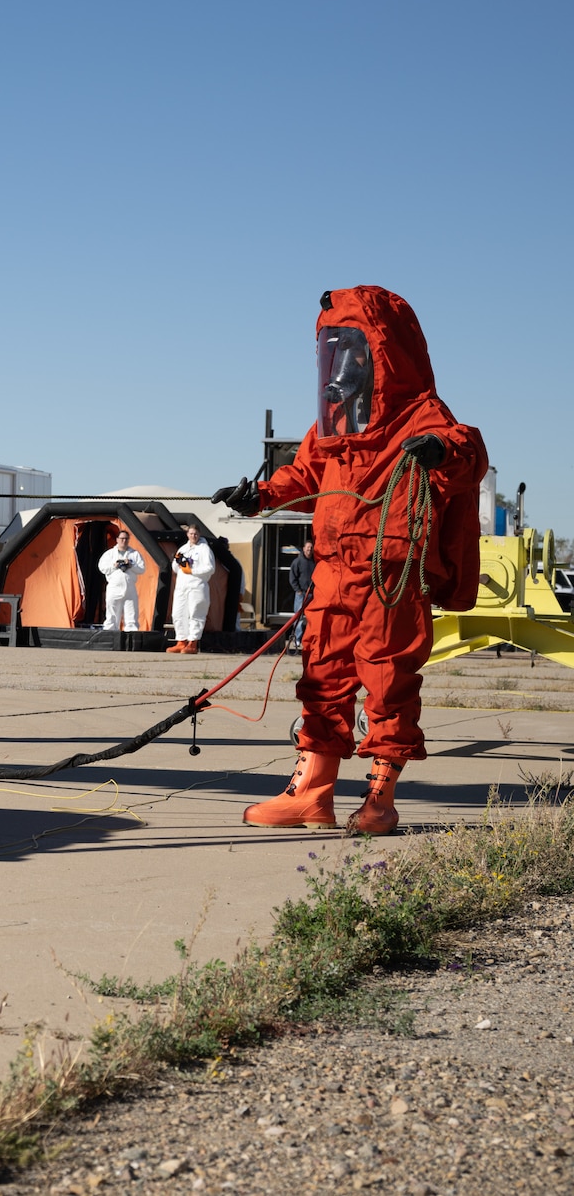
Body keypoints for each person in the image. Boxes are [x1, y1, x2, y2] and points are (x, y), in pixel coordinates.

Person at [212, 286, 487, 835]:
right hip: (334, 571)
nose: (343, 361)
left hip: (391, 575)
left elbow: (468, 454)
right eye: (335, 349)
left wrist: (439, 453)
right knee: (321, 677)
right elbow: (304, 476)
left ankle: (380, 799)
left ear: (383, 352)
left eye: (354, 348)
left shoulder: (422, 415)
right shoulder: (336, 422)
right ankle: (311, 794)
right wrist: (259, 496)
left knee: (388, 680)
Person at [166, 525, 215, 654]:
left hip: (197, 586)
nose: (193, 536)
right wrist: (180, 563)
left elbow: (210, 568)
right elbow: (175, 568)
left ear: (199, 535)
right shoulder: (183, 549)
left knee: (195, 613)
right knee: (178, 613)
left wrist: (192, 570)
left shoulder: (204, 549)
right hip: (182, 586)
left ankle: (193, 642)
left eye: (196, 534)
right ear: (187, 534)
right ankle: (181, 641)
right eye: (191, 534)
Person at [96, 529, 145, 632]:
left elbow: (142, 569)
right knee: (112, 614)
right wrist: (114, 565)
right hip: (114, 587)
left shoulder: (134, 554)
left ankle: (131, 636)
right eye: (122, 538)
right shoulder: (109, 554)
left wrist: (131, 565)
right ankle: (110, 633)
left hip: (129, 587)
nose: (124, 541)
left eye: (126, 539)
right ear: (117, 539)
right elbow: (102, 567)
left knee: (131, 614)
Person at [287, 539, 316, 648]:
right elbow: (292, 577)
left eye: (311, 548)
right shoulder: (297, 562)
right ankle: (297, 640)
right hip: (301, 594)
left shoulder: (315, 562)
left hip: (312, 595)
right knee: (298, 618)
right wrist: (297, 590)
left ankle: (309, 640)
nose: (309, 549)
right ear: (304, 549)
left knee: (311, 618)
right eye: (308, 547)